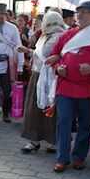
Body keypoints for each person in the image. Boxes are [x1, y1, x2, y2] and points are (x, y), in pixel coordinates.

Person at [46, 1, 90, 172]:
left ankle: (79, 157)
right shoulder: (67, 35)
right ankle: (62, 158)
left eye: (85, 12)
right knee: (63, 123)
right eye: (78, 12)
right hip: (66, 87)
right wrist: (58, 68)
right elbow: (55, 55)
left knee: (85, 124)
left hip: (89, 88)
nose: (80, 15)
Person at [18, 12, 67, 153]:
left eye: (47, 21)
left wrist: (30, 51)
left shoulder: (61, 36)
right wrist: (28, 51)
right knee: (34, 109)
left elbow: (47, 55)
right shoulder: (45, 35)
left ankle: (53, 142)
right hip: (38, 75)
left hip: (52, 78)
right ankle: (33, 140)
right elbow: (40, 55)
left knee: (50, 109)